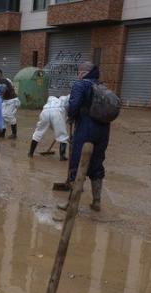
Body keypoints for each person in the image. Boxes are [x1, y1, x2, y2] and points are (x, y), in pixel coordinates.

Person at [64, 62, 111, 211]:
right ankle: (96, 202)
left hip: (85, 128)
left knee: (77, 163)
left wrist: (71, 115)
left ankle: (72, 204)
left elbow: (74, 105)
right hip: (103, 130)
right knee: (97, 164)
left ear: (83, 72)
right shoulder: (102, 86)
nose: (78, 74)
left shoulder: (81, 84)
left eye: (79, 72)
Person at [29, 95, 70, 161]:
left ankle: (30, 153)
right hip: (57, 113)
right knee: (62, 135)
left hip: (45, 111)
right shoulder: (65, 100)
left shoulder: (50, 100)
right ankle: (62, 156)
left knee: (38, 132)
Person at [0, 69, 15, 137]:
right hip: (6, 100)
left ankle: (14, 134)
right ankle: (2, 133)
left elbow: (2, 92)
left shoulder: (4, 81)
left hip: (12, 100)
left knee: (8, 116)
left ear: (0, 74)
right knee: (2, 116)